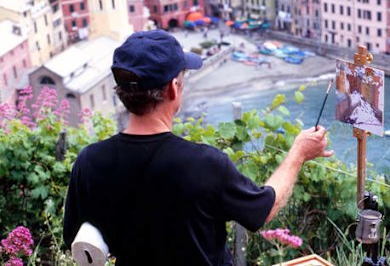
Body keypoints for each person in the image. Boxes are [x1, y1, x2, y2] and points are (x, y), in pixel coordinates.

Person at [63, 30, 332, 265]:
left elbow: (75, 237)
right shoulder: (204, 164)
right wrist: (298, 154)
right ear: (172, 89)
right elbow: (263, 209)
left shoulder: (89, 161)